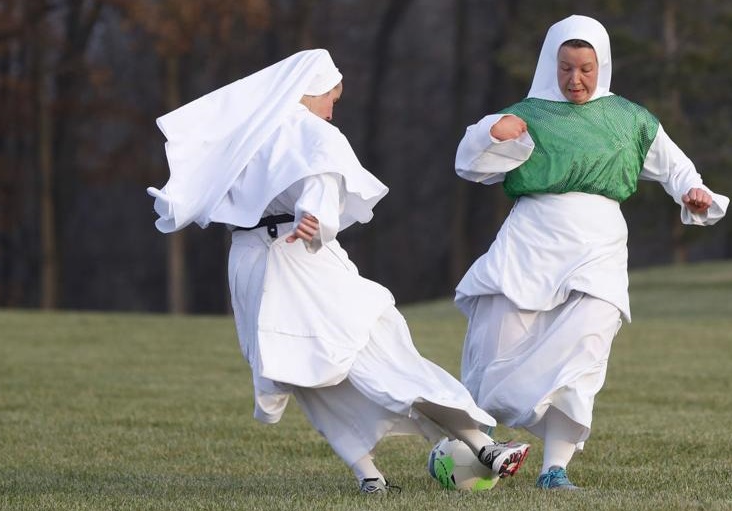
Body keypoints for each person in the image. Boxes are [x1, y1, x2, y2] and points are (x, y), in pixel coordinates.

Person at [147, 49, 528, 495]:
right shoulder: (312, 132)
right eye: (332, 98)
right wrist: (315, 217)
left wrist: (310, 217)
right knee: (382, 356)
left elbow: (209, 185)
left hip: (250, 263)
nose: (331, 110)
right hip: (301, 260)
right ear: (312, 90)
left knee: (310, 378)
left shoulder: (247, 129)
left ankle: (370, 477)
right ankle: (483, 447)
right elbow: (321, 182)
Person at [452, 16, 730, 490]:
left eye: (585, 68)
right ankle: (480, 444)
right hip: (530, 242)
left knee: (584, 351)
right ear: (551, 64)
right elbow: (470, 163)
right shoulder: (528, 114)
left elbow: (678, 169)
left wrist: (694, 193)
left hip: (599, 246)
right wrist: (492, 132)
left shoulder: (630, 119)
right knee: (498, 349)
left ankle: (554, 469)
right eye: (565, 68)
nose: (575, 79)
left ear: (602, 64)